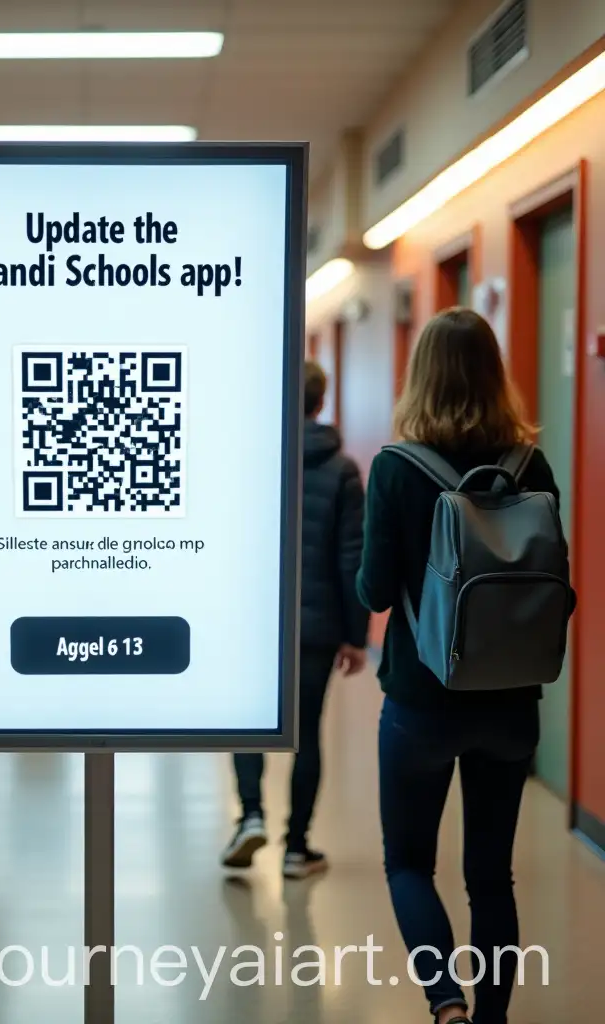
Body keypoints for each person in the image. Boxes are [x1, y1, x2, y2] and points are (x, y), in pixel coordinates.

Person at [357, 308, 558, 1024]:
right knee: (491, 878)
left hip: (420, 703)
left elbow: (376, 592)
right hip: (510, 705)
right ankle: (495, 1018)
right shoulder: (530, 465)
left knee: (409, 864)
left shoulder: (394, 468)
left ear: (421, 376)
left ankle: (446, 1006)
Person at [223, 360, 369, 876]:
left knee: (247, 725)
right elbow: (353, 555)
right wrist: (357, 636)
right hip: (318, 623)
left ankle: (250, 819)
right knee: (307, 732)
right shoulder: (343, 468)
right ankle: (296, 847)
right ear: (319, 401)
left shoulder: (249, 458)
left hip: (252, 620)